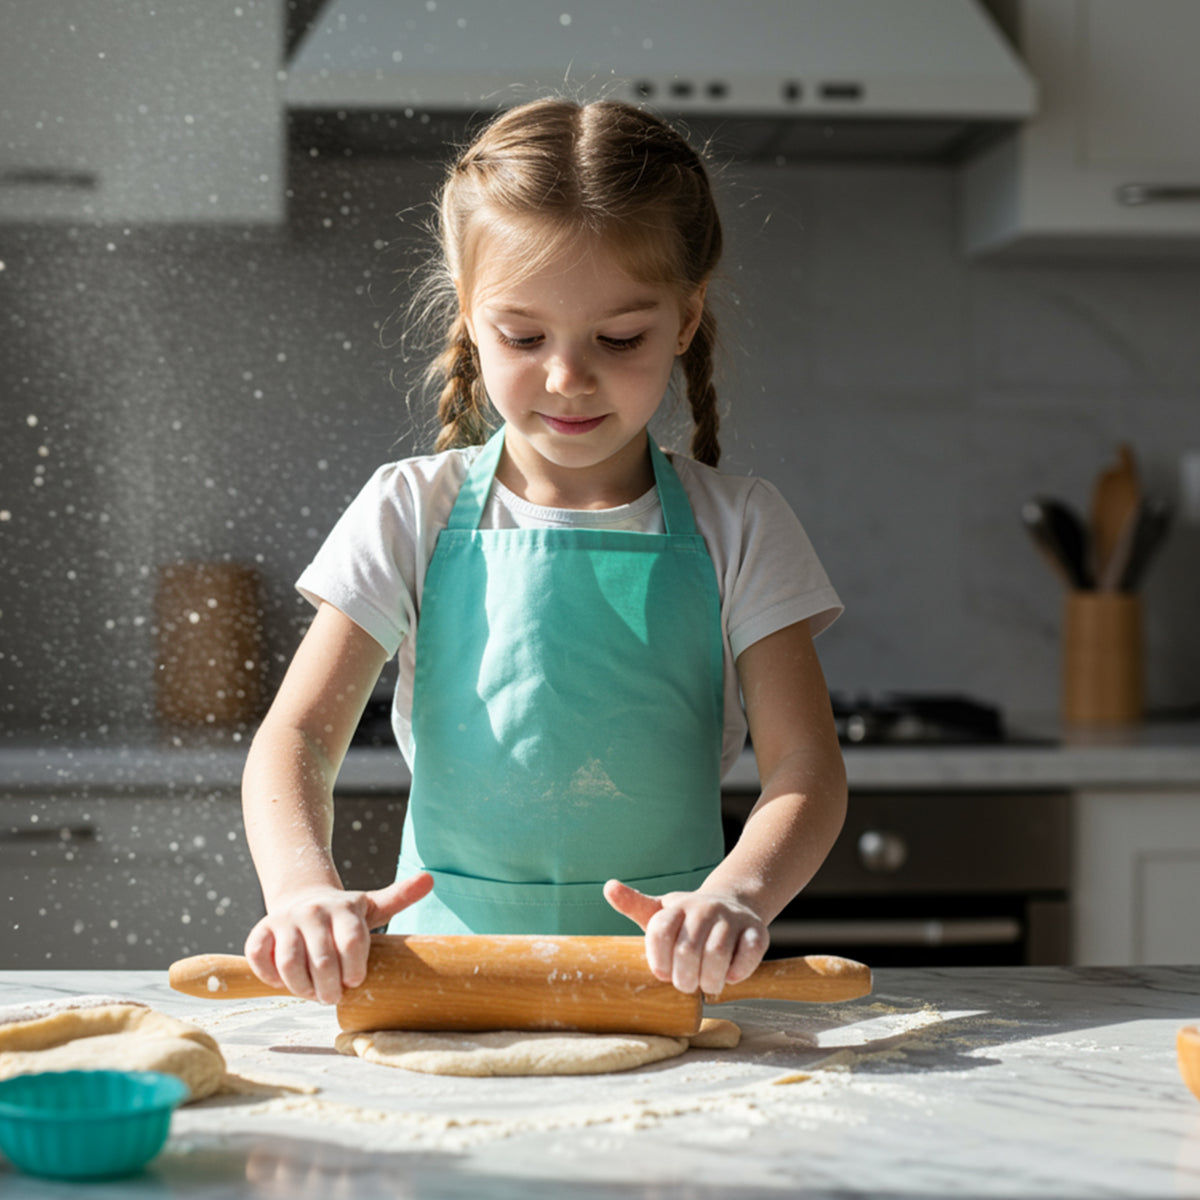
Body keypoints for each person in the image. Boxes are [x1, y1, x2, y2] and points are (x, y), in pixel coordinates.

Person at [241, 97, 847, 1010]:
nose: (568, 377)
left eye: (619, 338)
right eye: (524, 337)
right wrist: (300, 893)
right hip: (438, 989)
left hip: (661, 987)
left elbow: (807, 772)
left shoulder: (744, 526)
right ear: (471, 318)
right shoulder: (409, 511)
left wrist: (736, 897)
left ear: (685, 320)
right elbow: (296, 739)